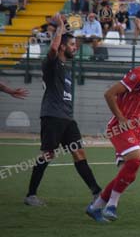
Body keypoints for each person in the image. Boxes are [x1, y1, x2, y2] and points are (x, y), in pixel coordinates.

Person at [24, 15, 103, 218]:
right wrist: (60, 27)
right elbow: (52, 48)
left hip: (67, 118)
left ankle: (97, 192)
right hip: (52, 116)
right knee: (48, 155)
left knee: (79, 153)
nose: (75, 48)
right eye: (72, 45)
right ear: (62, 47)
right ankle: (31, 195)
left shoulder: (66, 70)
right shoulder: (51, 63)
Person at [88, 39, 140, 222]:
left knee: (130, 173)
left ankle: (95, 207)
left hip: (135, 129)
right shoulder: (138, 74)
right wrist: (121, 119)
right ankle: (111, 206)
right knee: (134, 160)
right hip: (120, 126)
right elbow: (109, 94)